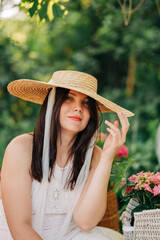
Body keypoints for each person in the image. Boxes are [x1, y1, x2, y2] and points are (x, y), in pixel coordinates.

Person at [0, 70, 134, 240]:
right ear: (52, 104)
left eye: (86, 103)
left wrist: (107, 157)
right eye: (69, 98)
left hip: (69, 235)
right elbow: (20, 227)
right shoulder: (21, 148)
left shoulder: (95, 155)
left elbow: (86, 222)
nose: (78, 108)